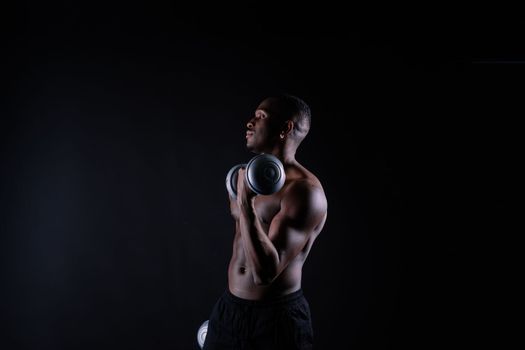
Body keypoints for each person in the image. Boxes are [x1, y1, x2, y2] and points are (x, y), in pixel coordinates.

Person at [203, 94, 328, 350]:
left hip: (276, 322)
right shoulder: (250, 178)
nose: (249, 122)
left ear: (286, 128)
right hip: (230, 310)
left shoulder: (305, 192)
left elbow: (265, 273)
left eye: (261, 117)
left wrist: (245, 204)